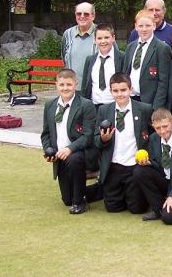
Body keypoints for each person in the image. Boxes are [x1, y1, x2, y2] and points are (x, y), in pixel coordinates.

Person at [94, 73, 153, 213]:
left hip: (134, 165)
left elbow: (153, 136)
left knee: (137, 209)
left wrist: (148, 157)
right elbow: (95, 139)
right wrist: (103, 139)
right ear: (110, 91)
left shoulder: (144, 109)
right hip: (113, 166)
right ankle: (104, 190)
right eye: (115, 91)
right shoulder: (104, 110)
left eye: (123, 90)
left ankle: (135, 193)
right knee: (113, 208)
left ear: (130, 89)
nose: (119, 94)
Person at [41, 69, 96, 214]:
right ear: (56, 85)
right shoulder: (50, 105)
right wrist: (48, 151)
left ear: (75, 84)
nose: (65, 88)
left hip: (79, 153)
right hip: (60, 155)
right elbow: (46, 133)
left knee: (74, 160)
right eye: (62, 85)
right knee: (67, 200)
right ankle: (100, 189)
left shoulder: (86, 105)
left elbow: (88, 135)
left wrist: (70, 148)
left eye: (69, 85)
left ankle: (80, 203)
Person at [132, 108, 172, 225]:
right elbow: (158, 165)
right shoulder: (153, 139)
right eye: (158, 128)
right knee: (139, 171)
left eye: (165, 126)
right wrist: (149, 163)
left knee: (169, 218)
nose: (162, 131)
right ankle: (157, 208)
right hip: (164, 180)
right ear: (153, 126)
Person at [123, 9, 172, 109]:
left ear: (154, 26)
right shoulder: (131, 47)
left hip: (150, 102)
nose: (144, 29)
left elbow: (163, 82)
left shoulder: (162, 48)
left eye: (148, 26)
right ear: (136, 27)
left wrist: (156, 108)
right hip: (130, 99)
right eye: (140, 26)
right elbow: (125, 73)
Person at [81, 23, 125, 108]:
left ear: (113, 38)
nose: (103, 41)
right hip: (94, 106)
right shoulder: (90, 60)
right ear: (95, 40)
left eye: (106, 37)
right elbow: (84, 87)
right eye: (99, 38)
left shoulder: (122, 58)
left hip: (114, 106)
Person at [61, 2, 97, 88]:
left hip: (93, 90)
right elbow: (64, 59)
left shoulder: (102, 34)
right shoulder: (68, 34)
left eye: (86, 14)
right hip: (72, 88)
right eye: (79, 13)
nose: (82, 16)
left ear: (93, 16)